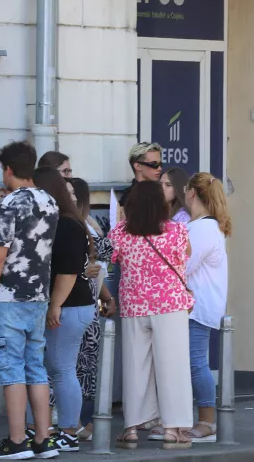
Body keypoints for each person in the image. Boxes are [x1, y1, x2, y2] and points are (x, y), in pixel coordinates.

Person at [0, 141, 61, 459]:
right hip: (38, 296)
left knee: (10, 368)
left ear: (8, 170)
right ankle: (43, 439)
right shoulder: (50, 202)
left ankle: (17, 441)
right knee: (35, 368)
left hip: (8, 297)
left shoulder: (10, 203)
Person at [109, 181, 195, 449]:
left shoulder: (121, 233)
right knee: (173, 366)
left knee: (135, 366)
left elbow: (113, 256)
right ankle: (173, 429)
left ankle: (132, 428)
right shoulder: (177, 231)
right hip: (170, 305)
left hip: (134, 305)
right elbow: (187, 256)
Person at [24, 169, 98, 452]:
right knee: (57, 368)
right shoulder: (67, 221)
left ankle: (68, 430)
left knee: (61, 368)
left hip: (69, 306)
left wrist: (54, 305)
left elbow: (67, 272)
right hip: (72, 305)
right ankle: (62, 428)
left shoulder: (65, 224)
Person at [183, 173, 232, 441]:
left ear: (192, 193)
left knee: (196, 362)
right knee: (193, 362)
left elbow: (184, 266)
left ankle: (207, 422)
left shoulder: (201, 229)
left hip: (197, 307)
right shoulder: (204, 226)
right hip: (197, 305)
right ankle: (199, 419)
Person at [69, 178, 117, 443]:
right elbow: (106, 250)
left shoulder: (83, 224)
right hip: (77, 303)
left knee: (82, 367)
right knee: (75, 367)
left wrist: (107, 296)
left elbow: (100, 263)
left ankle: (79, 421)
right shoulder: (77, 225)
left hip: (87, 302)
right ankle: (73, 422)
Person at [118, 142, 164, 210]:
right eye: (154, 164)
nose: (160, 168)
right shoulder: (131, 196)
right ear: (138, 166)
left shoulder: (160, 191)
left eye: (160, 164)